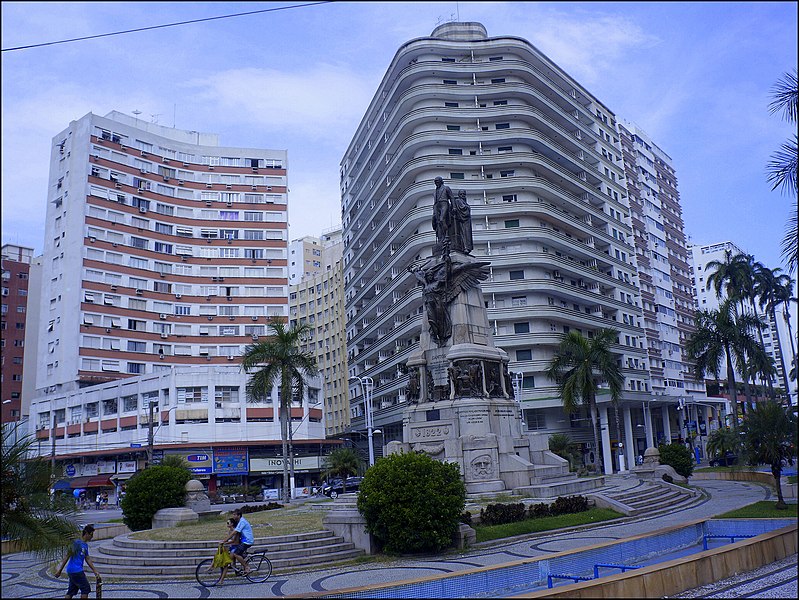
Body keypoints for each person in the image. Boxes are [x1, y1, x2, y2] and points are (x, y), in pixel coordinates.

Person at [55, 524, 101, 599]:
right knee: (85, 589)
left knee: (71, 591)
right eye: (91, 534)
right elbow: (67, 556)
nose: (92, 537)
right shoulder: (76, 543)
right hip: (77, 571)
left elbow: (88, 559)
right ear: (86, 533)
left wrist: (95, 571)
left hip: (72, 571)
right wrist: (59, 570)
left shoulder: (85, 545)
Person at [221, 508, 253, 575]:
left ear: (239, 515)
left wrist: (224, 540)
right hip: (243, 541)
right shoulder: (240, 522)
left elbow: (234, 532)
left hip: (247, 541)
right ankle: (237, 569)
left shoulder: (242, 522)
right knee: (235, 553)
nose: (233, 516)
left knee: (236, 554)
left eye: (235, 514)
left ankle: (247, 567)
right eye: (233, 514)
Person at [432, 176, 454, 254]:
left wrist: (454, 206)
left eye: (437, 181)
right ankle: (441, 238)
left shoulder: (446, 188)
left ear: (441, 181)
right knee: (438, 223)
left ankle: (447, 236)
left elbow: (451, 197)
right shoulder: (435, 192)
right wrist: (434, 211)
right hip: (437, 206)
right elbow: (434, 202)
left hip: (444, 203)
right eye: (435, 182)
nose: (436, 183)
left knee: (442, 219)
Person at [450, 189, 473, 254]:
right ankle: (465, 247)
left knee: (467, 234)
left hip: (467, 221)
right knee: (464, 234)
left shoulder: (464, 202)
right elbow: (464, 209)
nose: (463, 195)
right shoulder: (458, 201)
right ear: (459, 195)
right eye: (461, 194)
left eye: (464, 194)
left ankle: (467, 248)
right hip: (462, 220)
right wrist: (467, 207)